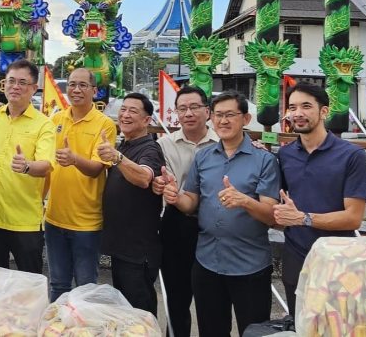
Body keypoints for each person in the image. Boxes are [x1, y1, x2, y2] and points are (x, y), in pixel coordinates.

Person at [163, 91, 280, 336]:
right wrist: (174, 195)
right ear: (211, 118)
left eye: (230, 115)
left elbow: (271, 215)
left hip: (250, 265)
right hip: (207, 262)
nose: (223, 121)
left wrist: (245, 201)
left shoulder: (264, 160)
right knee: (211, 331)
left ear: (246, 119)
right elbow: (191, 202)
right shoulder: (203, 157)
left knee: (254, 331)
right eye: (218, 115)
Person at [273, 83, 366, 316]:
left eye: (306, 106)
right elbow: (279, 207)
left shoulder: (352, 155)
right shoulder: (284, 155)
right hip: (295, 255)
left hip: (337, 258)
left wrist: (303, 218)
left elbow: (353, 218)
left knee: (336, 325)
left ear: (324, 111)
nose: (298, 114)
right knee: (299, 323)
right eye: (292, 107)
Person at [0, 59, 56, 273]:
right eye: (10, 81)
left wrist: (27, 166)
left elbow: (46, 165)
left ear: (33, 88)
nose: (15, 87)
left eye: (22, 82)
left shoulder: (43, 124)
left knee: (28, 288)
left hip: (24, 222)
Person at [151, 84, 220, 336]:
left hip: (214, 224)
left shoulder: (223, 141)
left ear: (207, 111)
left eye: (194, 107)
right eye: (182, 108)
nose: (188, 113)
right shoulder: (164, 144)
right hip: (177, 223)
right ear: (176, 113)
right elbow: (162, 179)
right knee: (176, 297)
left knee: (210, 297)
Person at [42, 68, 116, 301]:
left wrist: (74, 159)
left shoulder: (105, 125)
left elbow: (96, 169)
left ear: (94, 90)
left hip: (87, 224)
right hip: (54, 218)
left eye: (83, 85)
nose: (76, 89)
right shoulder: (55, 119)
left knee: (85, 289)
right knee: (58, 285)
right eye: (72, 84)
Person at [98, 92, 165, 315]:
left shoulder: (150, 149)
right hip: (121, 247)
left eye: (133, 111)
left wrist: (117, 158)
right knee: (125, 311)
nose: (125, 115)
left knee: (140, 312)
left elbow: (145, 177)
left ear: (147, 120)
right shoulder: (125, 145)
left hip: (138, 251)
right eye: (123, 109)